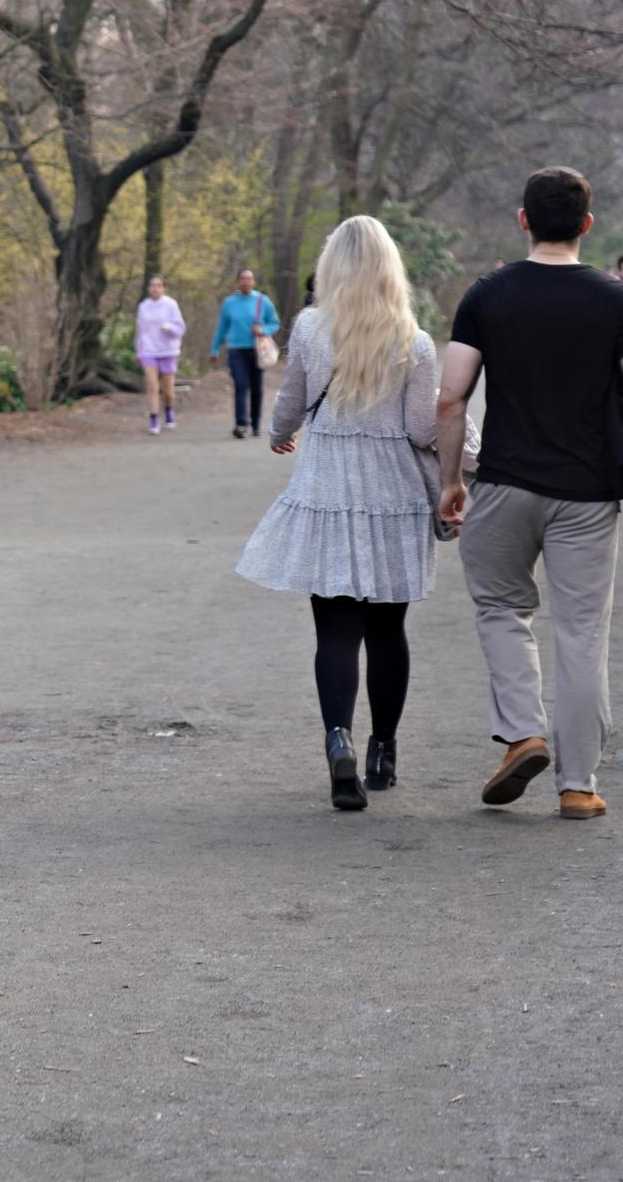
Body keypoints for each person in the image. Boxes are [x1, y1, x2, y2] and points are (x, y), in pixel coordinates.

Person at [436, 168, 623, 822]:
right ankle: (577, 784)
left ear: (523, 220)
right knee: (581, 634)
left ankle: (521, 733)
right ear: (587, 225)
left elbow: (451, 395)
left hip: (506, 481)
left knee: (501, 610)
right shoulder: (616, 300)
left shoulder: (488, 294)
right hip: (587, 494)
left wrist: (452, 480)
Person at [236, 218, 444, 811]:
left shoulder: (309, 328)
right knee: (387, 630)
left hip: (328, 486)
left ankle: (337, 740)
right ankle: (383, 749)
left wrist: (278, 434)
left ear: (332, 267)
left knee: (334, 629)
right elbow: (422, 428)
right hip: (392, 494)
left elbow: (291, 403)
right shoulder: (416, 341)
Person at [209, 269, 280, 439]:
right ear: (238, 282)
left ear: (254, 282)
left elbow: (275, 323)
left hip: (257, 350)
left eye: (249, 279)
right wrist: (214, 349)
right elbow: (222, 328)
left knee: (256, 388)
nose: (246, 282)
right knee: (240, 385)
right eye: (242, 279)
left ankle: (255, 423)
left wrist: (263, 329)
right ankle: (241, 424)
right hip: (236, 350)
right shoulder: (229, 303)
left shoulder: (263, 301)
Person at [135, 275, 185, 435]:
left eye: (158, 286)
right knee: (152, 387)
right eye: (152, 285)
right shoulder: (143, 306)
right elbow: (140, 331)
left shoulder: (171, 305)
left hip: (168, 351)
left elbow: (181, 328)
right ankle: (154, 419)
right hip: (149, 351)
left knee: (168, 390)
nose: (154, 288)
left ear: (164, 288)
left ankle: (169, 410)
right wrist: (139, 350)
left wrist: (169, 327)